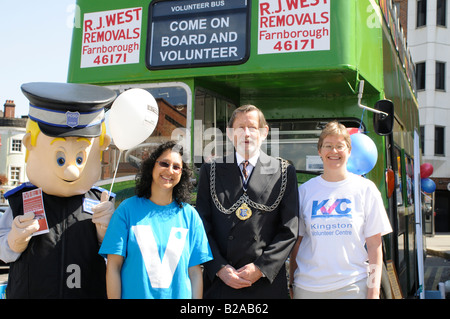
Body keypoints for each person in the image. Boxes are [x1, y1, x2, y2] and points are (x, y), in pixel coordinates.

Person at [0, 82, 117, 298]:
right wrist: (14, 240)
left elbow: (117, 259)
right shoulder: (21, 201)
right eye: (60, 158)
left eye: (80, 158)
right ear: (29, 144)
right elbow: (2, 252)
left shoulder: (101, 203)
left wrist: (106, 233)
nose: (71, 171)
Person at [196, 104, 299, 299]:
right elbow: (201, 226)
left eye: (252, 127)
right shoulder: (211, 170)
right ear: (229, 133)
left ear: (264, 132)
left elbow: (289, 230)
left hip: (265, 284)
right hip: (220, 283)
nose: (246, 133)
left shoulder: (283, 171)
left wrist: (261, 268)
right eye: (240, 127)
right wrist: (218, 267)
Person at [289, 121, 392, 299]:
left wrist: (373, 292)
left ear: (349, 151)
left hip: (352, 287)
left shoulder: (366, 189)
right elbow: (296, 243)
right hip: (308, 289)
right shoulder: (304, 191)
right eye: (328, 146)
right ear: (320, 151)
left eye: (340, 146)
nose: (334, 151)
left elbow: (375, 246)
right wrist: (291, 282)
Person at [99, 141, 213, 299]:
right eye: (164, 163)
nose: (170, 170)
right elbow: (113, 267)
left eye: (176, 167)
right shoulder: (126, 210)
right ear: (152, 166)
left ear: (182, 174)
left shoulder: (190, 216)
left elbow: (195, 273)